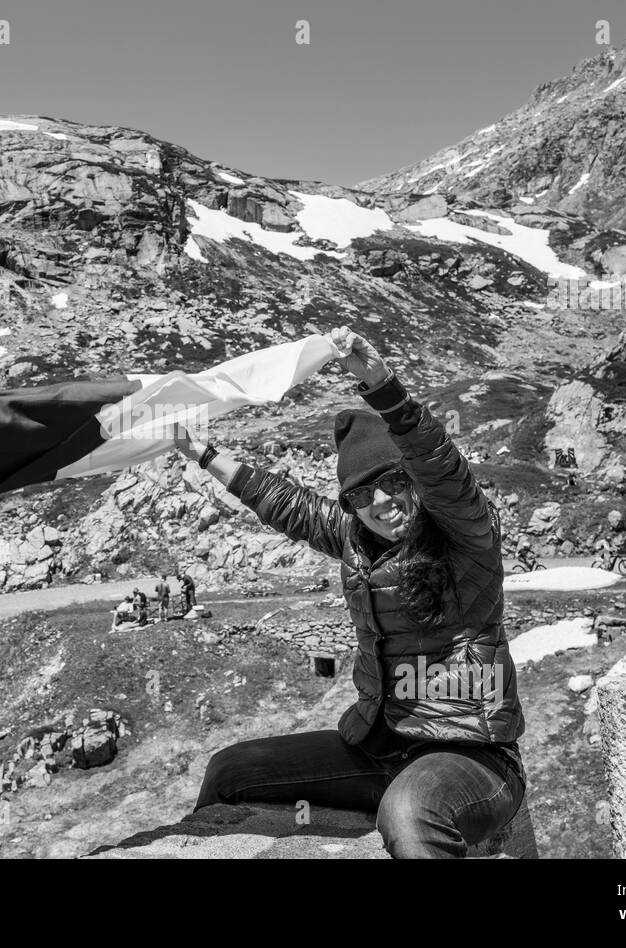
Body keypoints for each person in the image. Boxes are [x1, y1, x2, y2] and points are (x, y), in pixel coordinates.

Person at [168, 326, 526, 859]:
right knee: (231, 771)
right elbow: (286, 504)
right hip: (379, 749)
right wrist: (202, 452)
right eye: (361, 494)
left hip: (471, 756)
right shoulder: (355, 537)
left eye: (393, 481)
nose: (381, 501)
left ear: (413, 482)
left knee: (409, 813)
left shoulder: (465, 533)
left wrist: (383, 386)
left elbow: (441, 466)